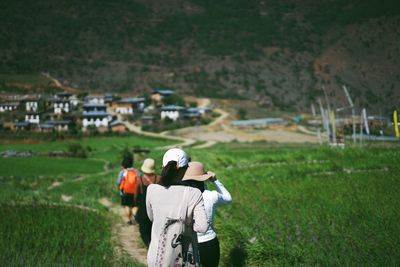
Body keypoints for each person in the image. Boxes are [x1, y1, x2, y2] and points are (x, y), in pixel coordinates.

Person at [146, 148, 208, 267]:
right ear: (184, 169)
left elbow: (152, 218)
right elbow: (202, 227)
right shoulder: (194, 193)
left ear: (163, 166)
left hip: (156, 258)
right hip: (184, 259)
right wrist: (186, 223)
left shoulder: (152, 189)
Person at [183, 161, 232, 267]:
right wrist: (215, 181)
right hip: (209, 241)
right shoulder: (211, 196)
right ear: (203, 178)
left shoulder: (182, 196)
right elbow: (228, 198)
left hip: (189, 243)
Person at [135, 158, 160, 247]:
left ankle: (148, 245)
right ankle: (154, 245)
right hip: (156, 207)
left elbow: (136, 195)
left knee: (143, 229)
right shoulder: (158, 179)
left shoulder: (140, 179)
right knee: (153, 228)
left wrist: (136, 204)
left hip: (143, 207)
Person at [116, 153, 140, 225]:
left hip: (125, 192)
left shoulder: (123, 172)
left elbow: (118, 182)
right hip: (135, 192)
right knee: (135, 206)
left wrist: (120, 189)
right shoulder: (136, 172)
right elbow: (140, 181)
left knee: (127, 206)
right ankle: (135, 215)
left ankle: (128, 220)